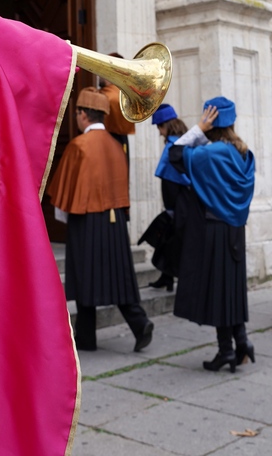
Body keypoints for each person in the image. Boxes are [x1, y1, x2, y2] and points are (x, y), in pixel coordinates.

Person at [47, 87, 153, 352]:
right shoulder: (118, 146)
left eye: (77, 113)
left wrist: (64, 215)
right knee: (117, 274)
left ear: (83, 115)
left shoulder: (78, 146)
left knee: (84, 274)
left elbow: (62, 192)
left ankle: (86, 338)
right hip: (115, 220)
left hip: (86, 220)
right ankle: (139, 323)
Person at [168, 97, 256, 372]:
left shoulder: (210, 154)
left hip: (213, 229)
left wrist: (197, 128)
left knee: (218, 291)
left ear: (212, 122)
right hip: (235, 229)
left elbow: (174, 154)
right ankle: (241, 343)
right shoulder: (243, 153)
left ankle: (226, 351)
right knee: (230, 289)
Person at [138, 103, 189, 290]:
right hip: (185, 202)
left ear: (167, 125)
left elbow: (171, 181)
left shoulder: (172, 147)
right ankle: (166, 278)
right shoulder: (186, 141)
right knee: (170, 239)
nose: (159, 132)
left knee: (174, 240)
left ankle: (177, 280)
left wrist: (170, 209)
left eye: (160, 127)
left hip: (177, 204)